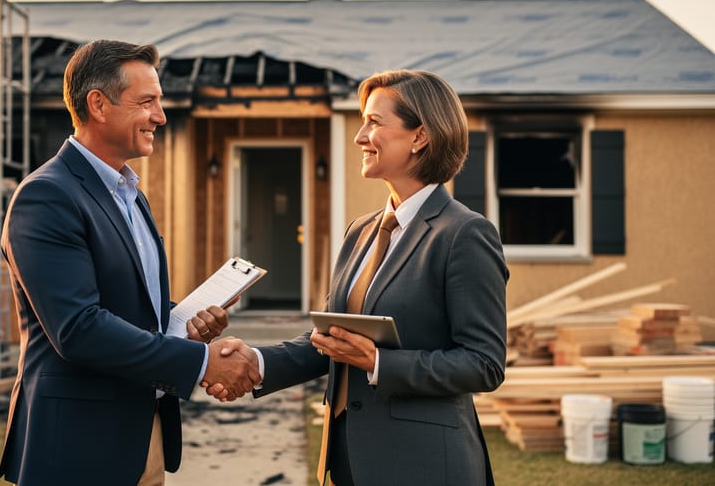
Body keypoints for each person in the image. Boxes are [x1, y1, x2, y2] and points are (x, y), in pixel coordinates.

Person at [211, 69, 508, 485]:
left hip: (424, 465)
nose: (359, 136)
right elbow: (333, 340)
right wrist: (256, 363)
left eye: (374, 122)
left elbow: (483, 363)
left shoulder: (464, 234)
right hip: (349, 458)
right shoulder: (361, 231)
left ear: (420, 136)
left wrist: (380, 362)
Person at [0, 39, 260, 486]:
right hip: (79, 444)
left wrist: (181, 323)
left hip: (143, 431)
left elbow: (126, 305)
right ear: (98, 105)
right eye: (147, 102)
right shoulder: (46, 196)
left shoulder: (130, 194)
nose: (160, 116)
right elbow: (78, 329)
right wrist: (199, 362)